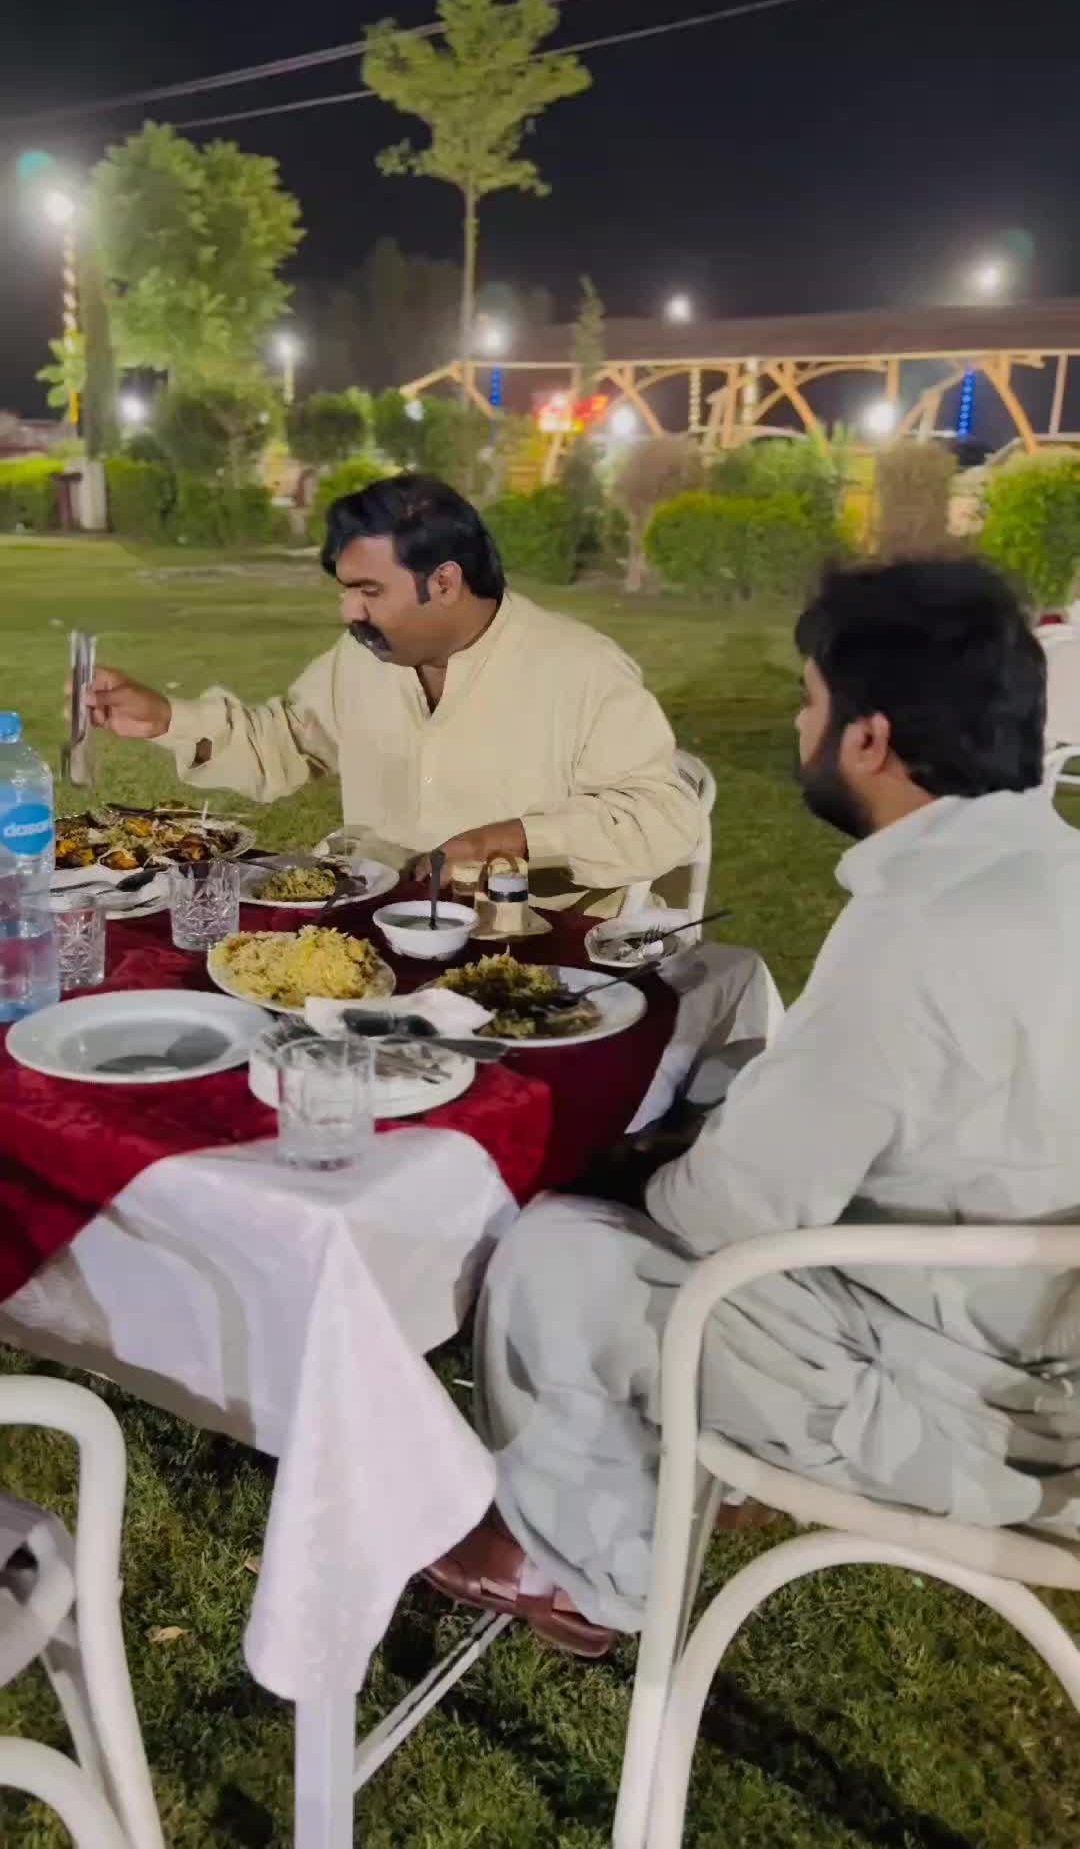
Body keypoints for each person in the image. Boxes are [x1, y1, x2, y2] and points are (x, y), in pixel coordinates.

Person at [428, 557, 1080, 1657]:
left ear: (868, 740)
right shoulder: (1048, 868)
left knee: (559, 1252)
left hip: (986, 1422)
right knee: (726, 1083)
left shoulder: (919, 932)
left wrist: (628, 1170)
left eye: (809, 701)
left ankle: (582, 1566)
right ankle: (677, 1473)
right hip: (1020, 1337)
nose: (798, 725)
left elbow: (726, 1213)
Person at [83, 474, 700, 910]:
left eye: (370, 591)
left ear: (445, 582)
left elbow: (663, 817)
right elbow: (287, 740)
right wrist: (165, 718)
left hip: (529, 945)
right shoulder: (363, 659)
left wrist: (508, 840)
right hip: (372, 919)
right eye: (346, 590)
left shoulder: (579, 669)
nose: (349, 612)